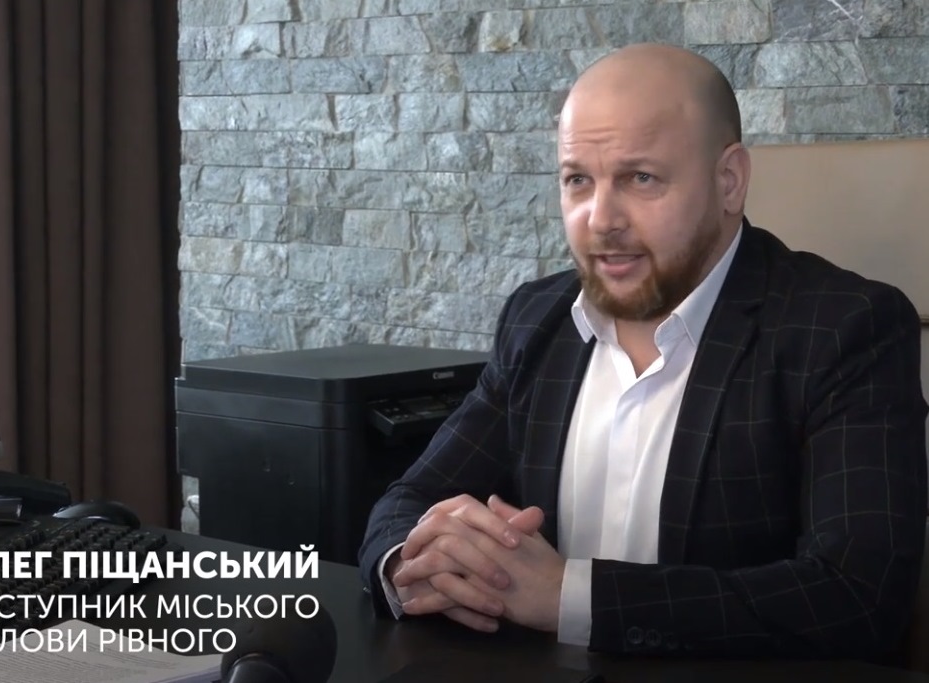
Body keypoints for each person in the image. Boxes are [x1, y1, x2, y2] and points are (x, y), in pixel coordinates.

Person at [357, 43, 928, 659]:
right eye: (578, 180)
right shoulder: (535, 319)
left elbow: (856, 596)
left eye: (641, 178)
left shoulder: (845, 328)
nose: (600, 219)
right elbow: (408, 502)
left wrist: (568, 596)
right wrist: (413, 563)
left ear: (729, 181)